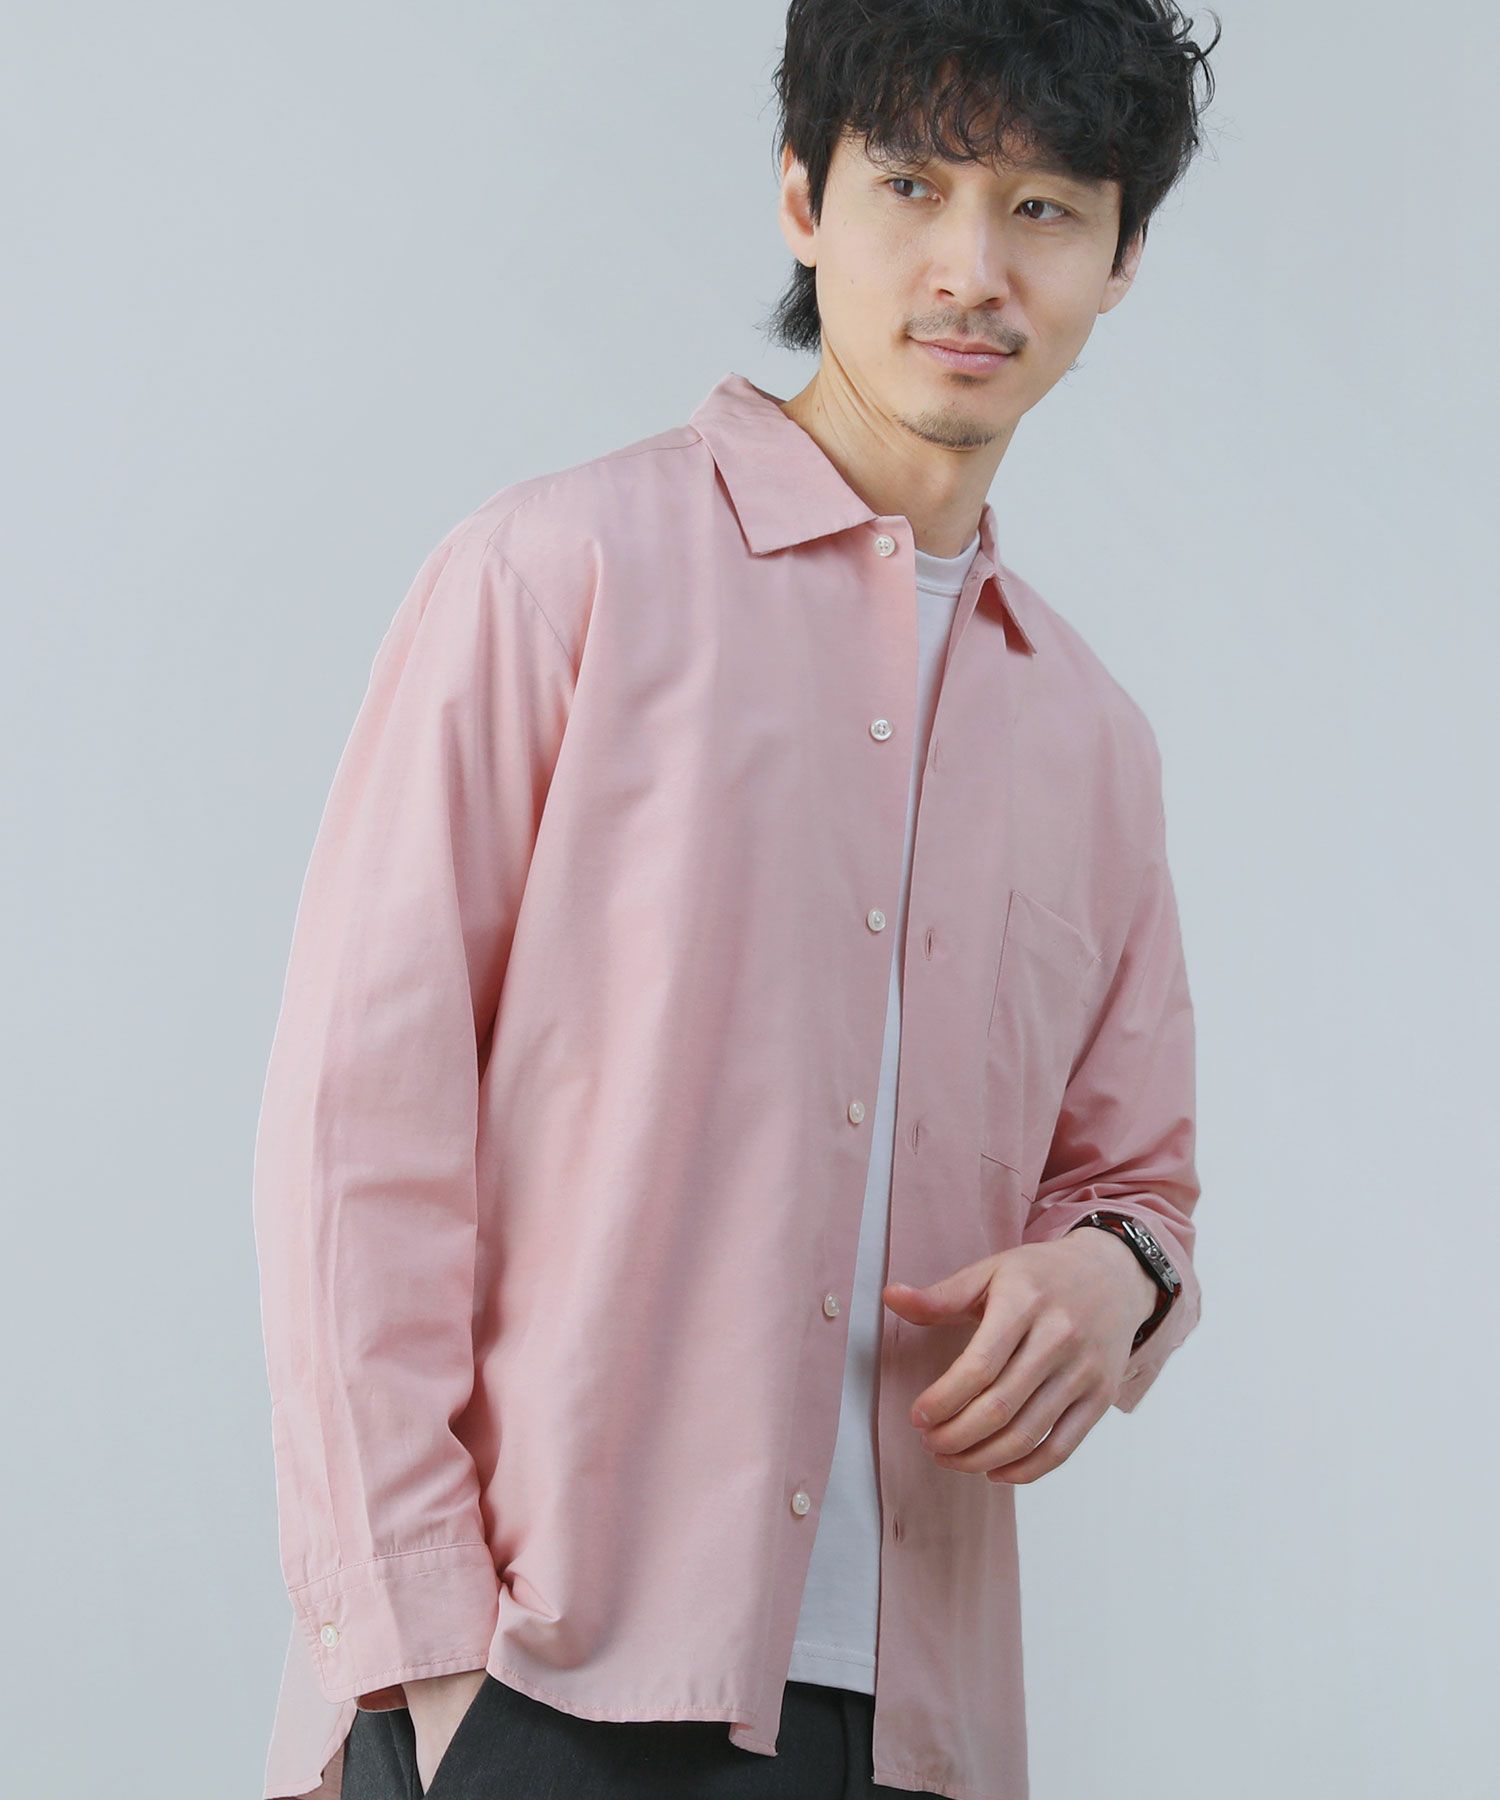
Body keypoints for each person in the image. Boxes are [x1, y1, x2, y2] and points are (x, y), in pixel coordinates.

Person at [252, 3, 1222, 1796]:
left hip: (912, 1721)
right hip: (544, 1675)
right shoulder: (554, 576)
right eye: (912, 186)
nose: (972, 269)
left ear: (1120, 259)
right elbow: (356, 1146)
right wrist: (433, 1668)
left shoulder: (1095, 741)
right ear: (800, 197)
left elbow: (1137, 1185)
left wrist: (1118, 1276)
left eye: (1042, 209)